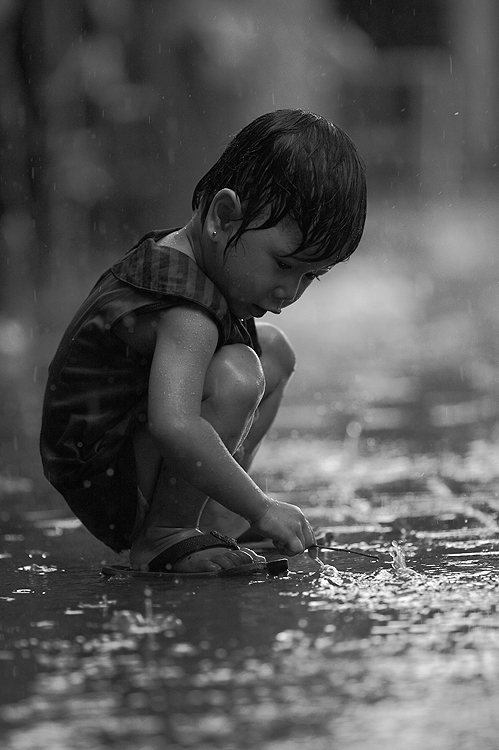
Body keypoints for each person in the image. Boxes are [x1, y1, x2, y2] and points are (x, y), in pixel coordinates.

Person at [40, 109, 367, 576]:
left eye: (310, 276)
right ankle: (164, 534)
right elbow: (174, 425)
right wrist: (262, 508)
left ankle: (212, 517)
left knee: (272, 352)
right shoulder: (186, 308)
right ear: (223, 217)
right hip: (103, 475)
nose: (289, 292)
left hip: (121, 448)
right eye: (283, 264)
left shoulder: (193, 261)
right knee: (239, 374)